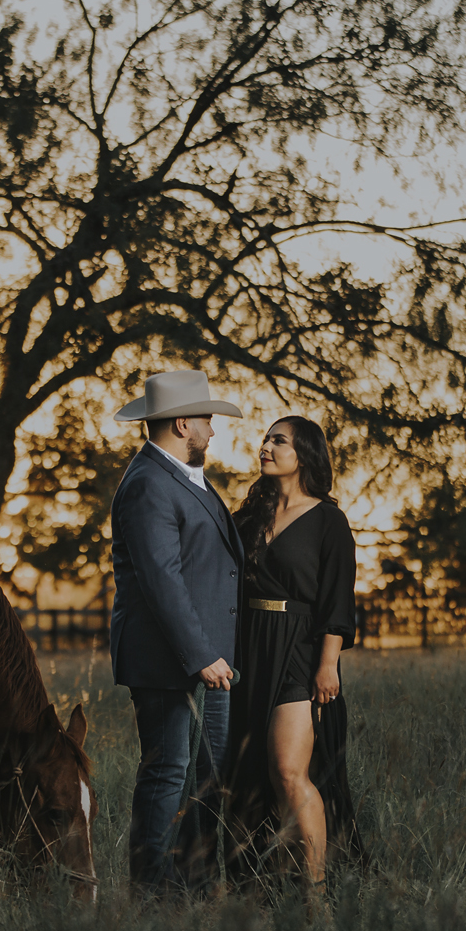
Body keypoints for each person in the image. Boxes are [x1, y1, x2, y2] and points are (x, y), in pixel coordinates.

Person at [106, 369, 244, 893]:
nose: (213, 429)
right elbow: (162, 579)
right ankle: (149, 891)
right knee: (167, 773)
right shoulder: (147, 484)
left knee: (210, 774)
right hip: (173, 660)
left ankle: (194, 881)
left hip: (213, 660)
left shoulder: (185, 477)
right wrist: (200, 653)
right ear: (183, 423)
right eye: (206, 419)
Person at [228, 415, 363, 888]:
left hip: (298, 651)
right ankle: (259, 883)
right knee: (249, 773)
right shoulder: (247, 518)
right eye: (266, 439)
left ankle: (317, 894)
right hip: (247, 648)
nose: (265, 446)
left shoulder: (329, 520)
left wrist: (329, 665)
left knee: (289, 771)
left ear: (304, 453)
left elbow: (337, 599)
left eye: (278, 440)